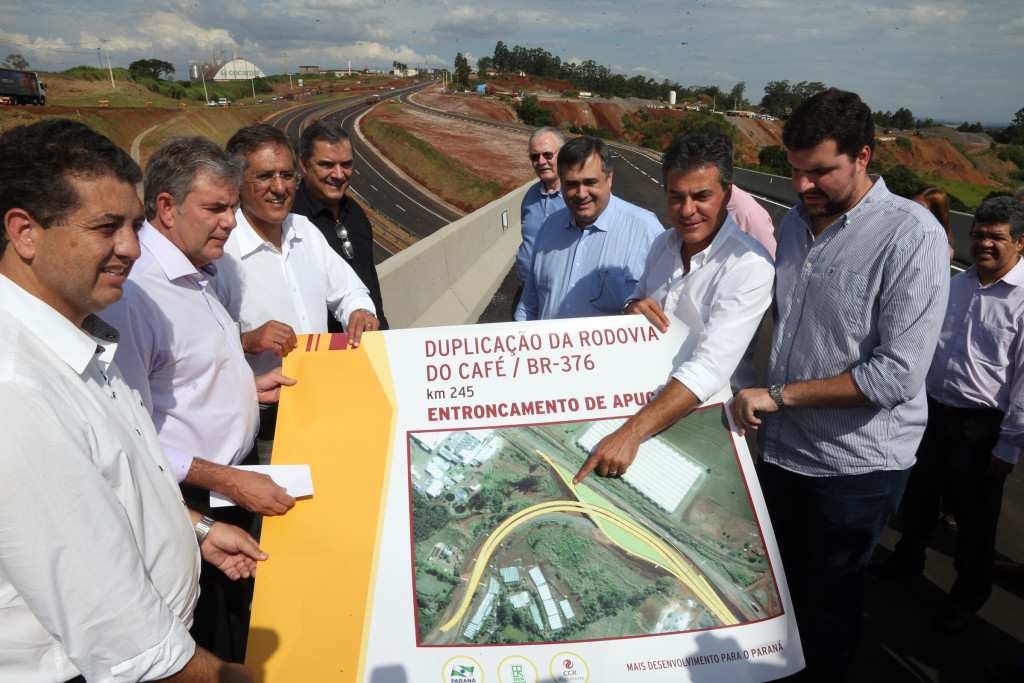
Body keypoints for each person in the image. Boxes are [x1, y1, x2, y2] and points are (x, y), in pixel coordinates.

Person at [0, 118, 263, 682]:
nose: (131, 249)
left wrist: (194, 529)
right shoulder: (16, 391)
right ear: (25, 232)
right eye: (106, 228)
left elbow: (117, 485)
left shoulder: (76, 336)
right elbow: (124, 642)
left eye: (135, 226)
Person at [730, 89, 949, 681]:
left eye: (820, 171)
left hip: (856, 467)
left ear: (863, 156)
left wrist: (777, 397)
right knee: (779, 594)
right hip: (784, 453)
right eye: (795, 170)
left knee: (829, 608)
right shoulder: (795, 224)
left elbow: (896, 375)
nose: (802, 186)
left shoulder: (912, 236)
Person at [101, 135, 297, 662]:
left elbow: (182, 380)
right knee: (214, 642)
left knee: (243, 627)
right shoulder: (136, 295)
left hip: (231, 486)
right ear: (166, 206)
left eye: (232, 207)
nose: (231, 222)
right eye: (216, 208)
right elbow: (131, 437)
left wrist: (244, 391)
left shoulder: (194, 270)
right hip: (196, 501)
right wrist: (230, 481)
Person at [575, 132, 774, 482]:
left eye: (701, 196)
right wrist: (631, 307)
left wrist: (631, 433)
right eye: (676, 196)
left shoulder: (750, 266)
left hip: (703, 423)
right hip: (639, 407)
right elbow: (635, 299)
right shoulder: (661, 244)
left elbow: (710, 370)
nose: (686, 210)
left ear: (727, 194)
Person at [872, 197, 1024, 631]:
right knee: (919, 496)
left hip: (981, 427)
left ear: (1020, 242)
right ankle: (907, 559)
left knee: (975, 517)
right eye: (978, 235)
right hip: (933, 413)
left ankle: (968, 595)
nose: (985, 244)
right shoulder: (955, 285)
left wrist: (1010, 444)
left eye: (997, 237)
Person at [214, 123, 378, 378]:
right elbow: (198, 346)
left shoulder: (305, 231)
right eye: (265, 176)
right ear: (235, 183)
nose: (280, 188)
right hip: (264, 408)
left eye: (288, 175)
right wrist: (245, 340)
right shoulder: (221, 253)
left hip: (321, 390)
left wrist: (360, 312)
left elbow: (349, 291)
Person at [514, 136, 663, 321]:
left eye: (590, 183)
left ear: (609, 178)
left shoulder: (646, 231)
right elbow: (529, 305)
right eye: (572, 184)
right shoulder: (549, 227)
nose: (581, 194)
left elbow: (666, 309)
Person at [292, 118, 389, 331]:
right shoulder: (290, 221)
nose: (338, 174)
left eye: (346, 164)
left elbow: (370, 281)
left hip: (370, 343)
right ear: (304, 164)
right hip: (326, 352)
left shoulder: (355, 212)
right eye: (327, 165)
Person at [517, 126, 566, 285]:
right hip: (526, 289)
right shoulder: (530, 195)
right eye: (535, 157)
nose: (541, 162)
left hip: (562, 295)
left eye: (547, 154)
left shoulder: (579, 197)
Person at [913, 186, 954, 259]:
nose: (912, 212)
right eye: (912, 205)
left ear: (937, 214)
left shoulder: (945, 252)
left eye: (921, 208)